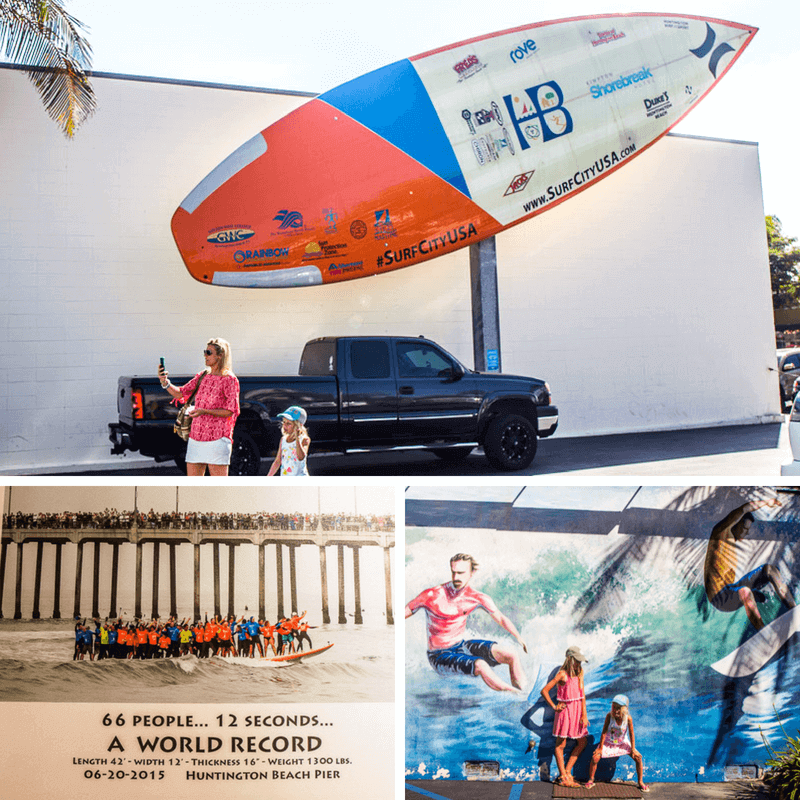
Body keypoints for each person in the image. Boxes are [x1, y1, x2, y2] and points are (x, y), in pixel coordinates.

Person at [405, 553, 527, 693]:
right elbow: (406, 610)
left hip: (461, 646)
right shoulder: (432, 595)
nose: (456, 577)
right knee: (481, 665)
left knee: (511, 654)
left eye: (461, 573)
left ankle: (524, 690)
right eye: (454, 572)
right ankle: (517, 695)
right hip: (439, 655)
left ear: (472, 572)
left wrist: (519, 637)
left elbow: (500, 618)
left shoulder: (476, 597)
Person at [704, 498, 796, 630]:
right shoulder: (720, 532)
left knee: (769, 569)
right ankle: (763, 633)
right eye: (745, 528)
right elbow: (744, 509)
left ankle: (794, 611)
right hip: (719, 598)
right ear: (735, 523)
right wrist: (766, 502)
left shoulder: (731, 542)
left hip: (732, 589)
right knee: (745, 592)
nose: (747, 532)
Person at [158, 338, 240, 476]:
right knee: (194, 487)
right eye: (205, 352)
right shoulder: (203, 376)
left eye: (209, 352)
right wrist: (164, 382)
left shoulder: (230, 380)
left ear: (220, 356)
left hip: (217, 438)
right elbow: (180, 393)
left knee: (218, 488)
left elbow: (231, 410)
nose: (205, 356)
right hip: (196, 437)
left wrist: (204, 411)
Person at [541, 646, 590, 787]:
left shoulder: (580, 672)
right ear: (570, 659)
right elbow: (544, 691)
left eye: (580, 661)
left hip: (577, 712)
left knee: (582, 742)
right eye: (577, 661)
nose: (579, 664)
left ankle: (567, 771)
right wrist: (554, 706)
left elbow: (582, 695)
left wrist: (584, 715)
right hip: (565, 712)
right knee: (560, 745)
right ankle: (563, 777)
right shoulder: (562, 674)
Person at [585, 694, 648, 792]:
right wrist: (600, 748)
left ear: (624, 709)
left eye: (617, 708)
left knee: (638, 758)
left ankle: (640, 782)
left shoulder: (628, 719)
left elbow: (632, 735)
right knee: (595, 758)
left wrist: (633, 749)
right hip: (608, 743)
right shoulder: (609, 716)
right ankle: (591, 779)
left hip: (622, 743)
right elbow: (604, 732)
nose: (615, 710)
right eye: (613, 707)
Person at [267, 406, 311, 476]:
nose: (284, 425)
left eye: (288, 423)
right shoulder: (283, 440)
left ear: (298, 425)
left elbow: (301, 457)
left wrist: (297, 439)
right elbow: (277, 462)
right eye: (284, 422)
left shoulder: (304, 440)